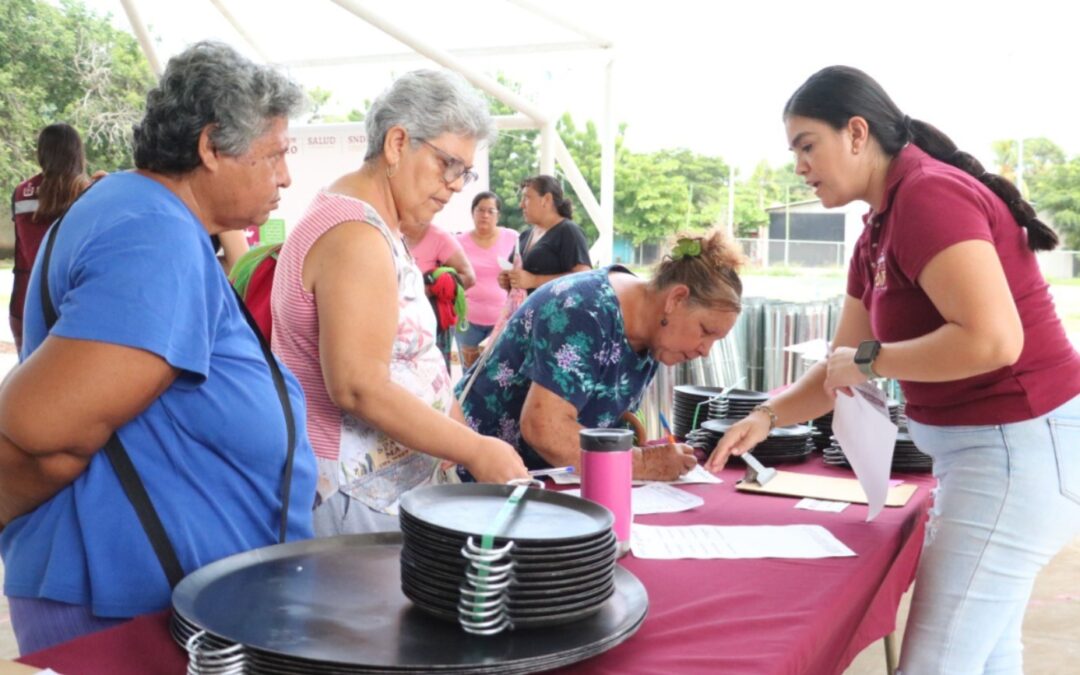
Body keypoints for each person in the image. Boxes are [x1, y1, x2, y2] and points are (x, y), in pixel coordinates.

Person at [706, 65, 1080, 674]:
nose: (799, 165)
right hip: (989, 454)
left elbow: (993, 340)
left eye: (807, 146)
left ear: (856, 133)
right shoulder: (877, 229)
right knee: (987, 654)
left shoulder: (929, 196)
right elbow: (840, 369)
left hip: (1018, 448)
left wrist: (875, 361)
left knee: (936, 663)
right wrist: (766, 417)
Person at [0, 41, 317, 655]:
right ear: (209, 146)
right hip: (126, 615)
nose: (285, 176)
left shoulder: (140, 214)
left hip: (153, 606)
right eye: (275, 153)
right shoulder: (154, 232)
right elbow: (50, 435)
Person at [270, 69, 528, 537]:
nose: (456, 185)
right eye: (449, 164)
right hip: (357, 495)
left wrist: (461, 440)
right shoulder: (354, 235)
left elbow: (416, 362)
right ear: (396, 144)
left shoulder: (376, 225)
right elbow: (358, 387)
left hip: (386, 493)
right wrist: (473, 449)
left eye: (464, 172)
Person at [459, 230, 742, 480]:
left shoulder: (653, 333)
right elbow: (544, 429)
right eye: (705, 331)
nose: (705, 351)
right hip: (476, 481)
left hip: (539, 483)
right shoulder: (584, 311)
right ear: (675, 299)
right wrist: (643, 463)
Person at [9, 124, 91, 354]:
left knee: (25, 379)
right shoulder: (90, 192)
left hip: (23, 304)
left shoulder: (20, 192)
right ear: (77, 154)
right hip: (69, 305)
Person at [456, 191, 518, 369]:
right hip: (467, 320)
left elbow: (521, 269)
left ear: (498, 215)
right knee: (469, 373)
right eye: (480, 210)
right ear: (472, 212)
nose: (485, 215)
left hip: (503, 319)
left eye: (491, 211)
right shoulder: (458, 241)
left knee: (498, 371)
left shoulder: (512, 237)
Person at [403, 220, 475, 372]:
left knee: (432, 376)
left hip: (432, 326)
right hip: (394, 323)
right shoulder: (386, 231)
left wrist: (430, 287)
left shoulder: (439, 237)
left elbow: (469, 277)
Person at [499, 175, 591, 293]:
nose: (521, 205)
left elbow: (584, 278)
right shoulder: (525, 236)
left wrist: (534, 280)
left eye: (527, 198)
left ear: (546, 199)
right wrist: (508, 281)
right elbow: (517, 276)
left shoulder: (568, 231)